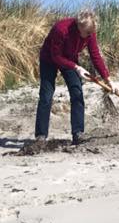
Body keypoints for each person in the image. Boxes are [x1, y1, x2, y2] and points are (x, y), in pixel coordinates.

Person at [34, 9, 113, 144]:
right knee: (46, 95)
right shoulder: (61, 29)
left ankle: (78, 133)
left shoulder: (90, 33)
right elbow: (56, 56)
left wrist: (108, 79)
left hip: (70, 59)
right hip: (49, 59)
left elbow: (95, 55)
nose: (90, 35)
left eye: (91, 32)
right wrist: (77, 67)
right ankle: (41, 136)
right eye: (87, 32)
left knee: (77, 92)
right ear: (79, 26)